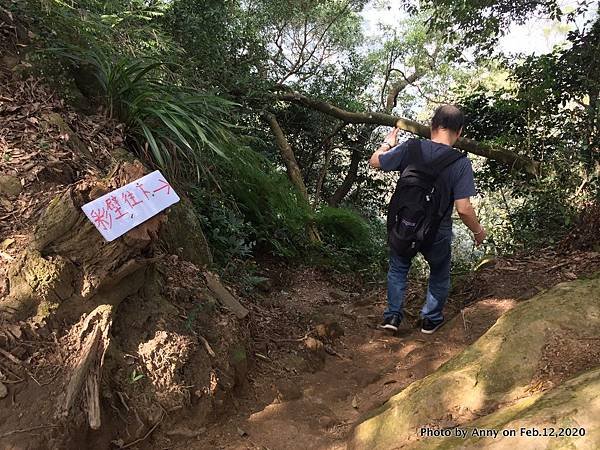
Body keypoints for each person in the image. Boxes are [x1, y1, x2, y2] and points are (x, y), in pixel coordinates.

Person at [369, 105, 486, 334]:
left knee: (398, 268)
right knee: (439, 272)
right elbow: (463, 209)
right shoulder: (460, 163)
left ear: (432, 125)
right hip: (437, 230)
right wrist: (478, 231)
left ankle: (392, 317)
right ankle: (431, 319)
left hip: (405, 224)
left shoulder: (411, 147)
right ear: (459, 131)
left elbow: (376, 161)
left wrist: (387, 143)